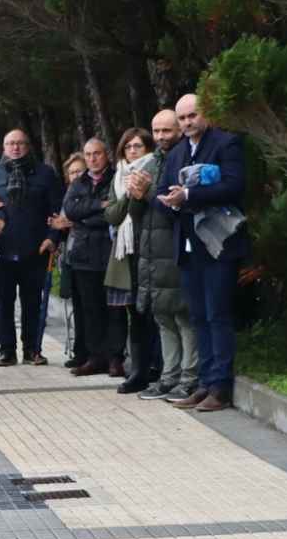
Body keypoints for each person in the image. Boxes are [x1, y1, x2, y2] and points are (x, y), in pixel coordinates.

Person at [159, 94, 247, 412]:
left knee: (218, 314)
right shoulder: (177, 152)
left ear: (205, 114)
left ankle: (220, 387)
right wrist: (169, 200)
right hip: (187, 244)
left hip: (219, 243)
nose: (187, 123)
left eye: (192, 116)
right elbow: (164, 190)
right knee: (198, 316)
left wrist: (190, 194)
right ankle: (204, 383)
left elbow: (235, 186)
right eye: (181, 118)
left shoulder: (226, 143)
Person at [127, 111, 198, 401]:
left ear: (178, 130)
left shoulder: (183, 158)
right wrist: (134, 196)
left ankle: (189, 377)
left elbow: (173, 205)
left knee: (183, 317)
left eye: (166, 130)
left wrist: (147, 193)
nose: (160, 137)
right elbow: (135, 213)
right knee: (163, 318)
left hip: (175, 247)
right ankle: (168, 377)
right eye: (156, 131)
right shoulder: (148, 161)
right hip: (150, 249)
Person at [0, 130, 64, 366]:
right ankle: (6, 350)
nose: (15, 148)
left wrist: (53, 238)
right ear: (3, 146)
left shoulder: (45, 174)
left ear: (28, 146)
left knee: (32, 304)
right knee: (4, 303)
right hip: (1, 251)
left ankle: (32, 349)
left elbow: (57, 210)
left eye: (20, 143)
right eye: (10, 143)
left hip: (35, 249)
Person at [104, 129, 161, 394]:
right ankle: (138, 371)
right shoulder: (119, 176)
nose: (133, 151)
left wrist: (140, 193)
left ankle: (159, 369)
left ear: (149, 148)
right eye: (128, 147)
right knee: (135, 314)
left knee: (157, 313)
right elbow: (113, 216)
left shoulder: (156, 170)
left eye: (138, 146)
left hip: (151, 249)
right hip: (124, 255)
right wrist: (129, 193)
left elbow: (146, 211)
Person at [62, 139, 119, 377]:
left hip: (110, 254)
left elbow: (113, 213)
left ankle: (115, 358)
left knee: (114, 309)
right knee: (90, 309)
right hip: (84, 256)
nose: (93, 158)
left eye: (97, 154)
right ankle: (95, 357)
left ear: (106, 155)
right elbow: (70, 210)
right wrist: (99, 205)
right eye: (88, 154)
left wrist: (86, 214)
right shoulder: (79, 182)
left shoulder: (116, 178)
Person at [53, 154, 86, 368]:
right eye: (72, 172)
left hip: (90, 257)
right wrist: (58, 227)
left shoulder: (90, 193)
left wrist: (71, 223)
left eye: (79, 171)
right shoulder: (66, 196)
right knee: (77, 306)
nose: (75, 176)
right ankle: (80, 350)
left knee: (90, 307)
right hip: (70, 257)